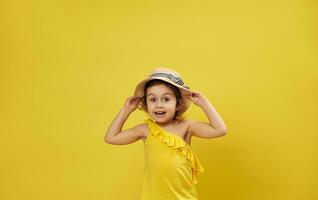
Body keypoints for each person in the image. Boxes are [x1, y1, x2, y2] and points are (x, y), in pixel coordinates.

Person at [105, 67, 228, 200]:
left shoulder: (187, 127)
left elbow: (220, 130)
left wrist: (204, 104)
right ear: (145, 103)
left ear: (178, 104)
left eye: (166, 99)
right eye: (153, 99)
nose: (159, 105)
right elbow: (111, 137)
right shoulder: (145, 129)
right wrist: (126, 110)